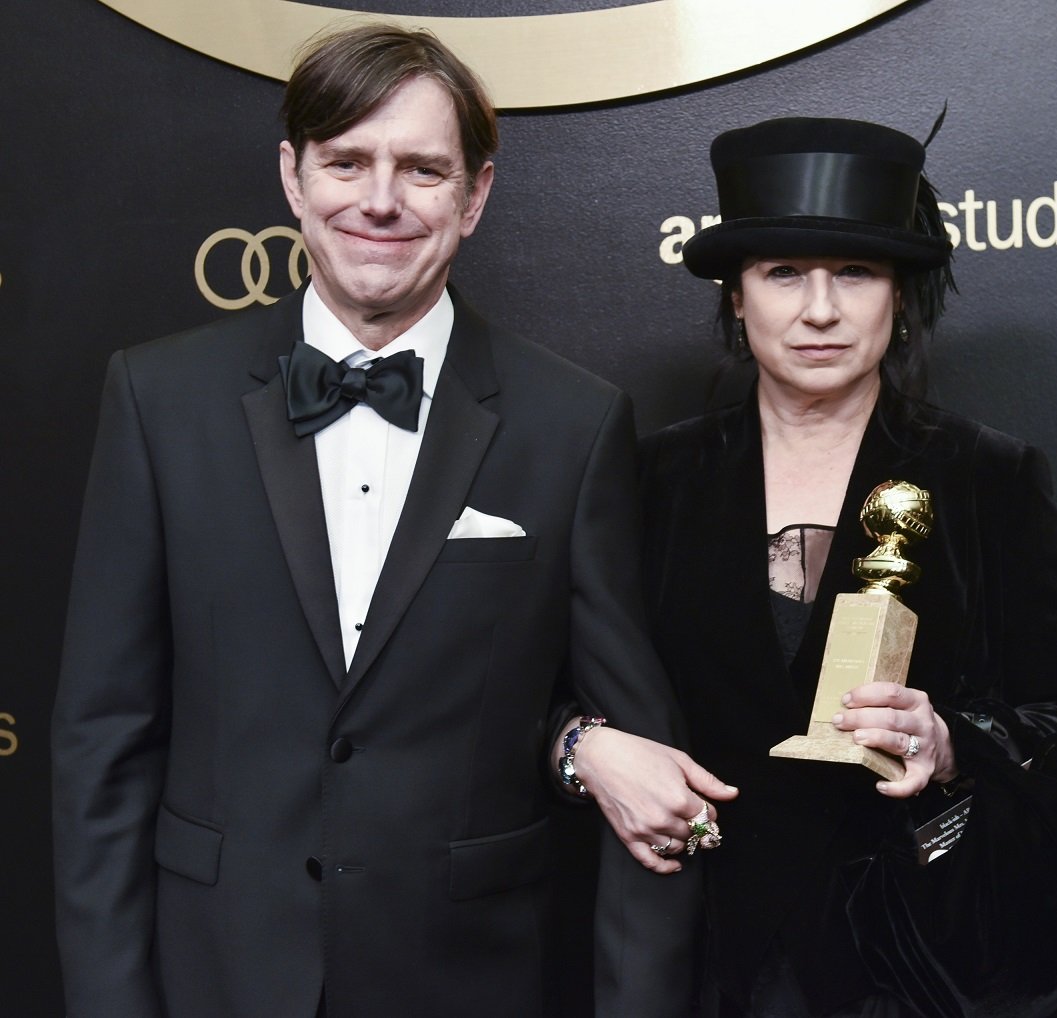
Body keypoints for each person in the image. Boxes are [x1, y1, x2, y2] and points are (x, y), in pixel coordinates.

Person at [51, 25, 731, 1018]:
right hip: (217, 978)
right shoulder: (158, 400)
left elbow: (639, 762)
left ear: (475, 195)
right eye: (345, 162)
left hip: (470, 982)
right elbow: (102, 748)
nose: (379, 200)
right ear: (292, 177)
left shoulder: (573, 425)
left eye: (421, 169)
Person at [636, 116, 1057, 1016]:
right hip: (685, 952)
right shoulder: (649, 478)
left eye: (856, 272)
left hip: (898, 964)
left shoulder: (987, 477)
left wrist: (953, 742)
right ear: (737, 297)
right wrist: (582, 747)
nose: (820, 310)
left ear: (900, 294)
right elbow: (554, 697)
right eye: (783, 272)